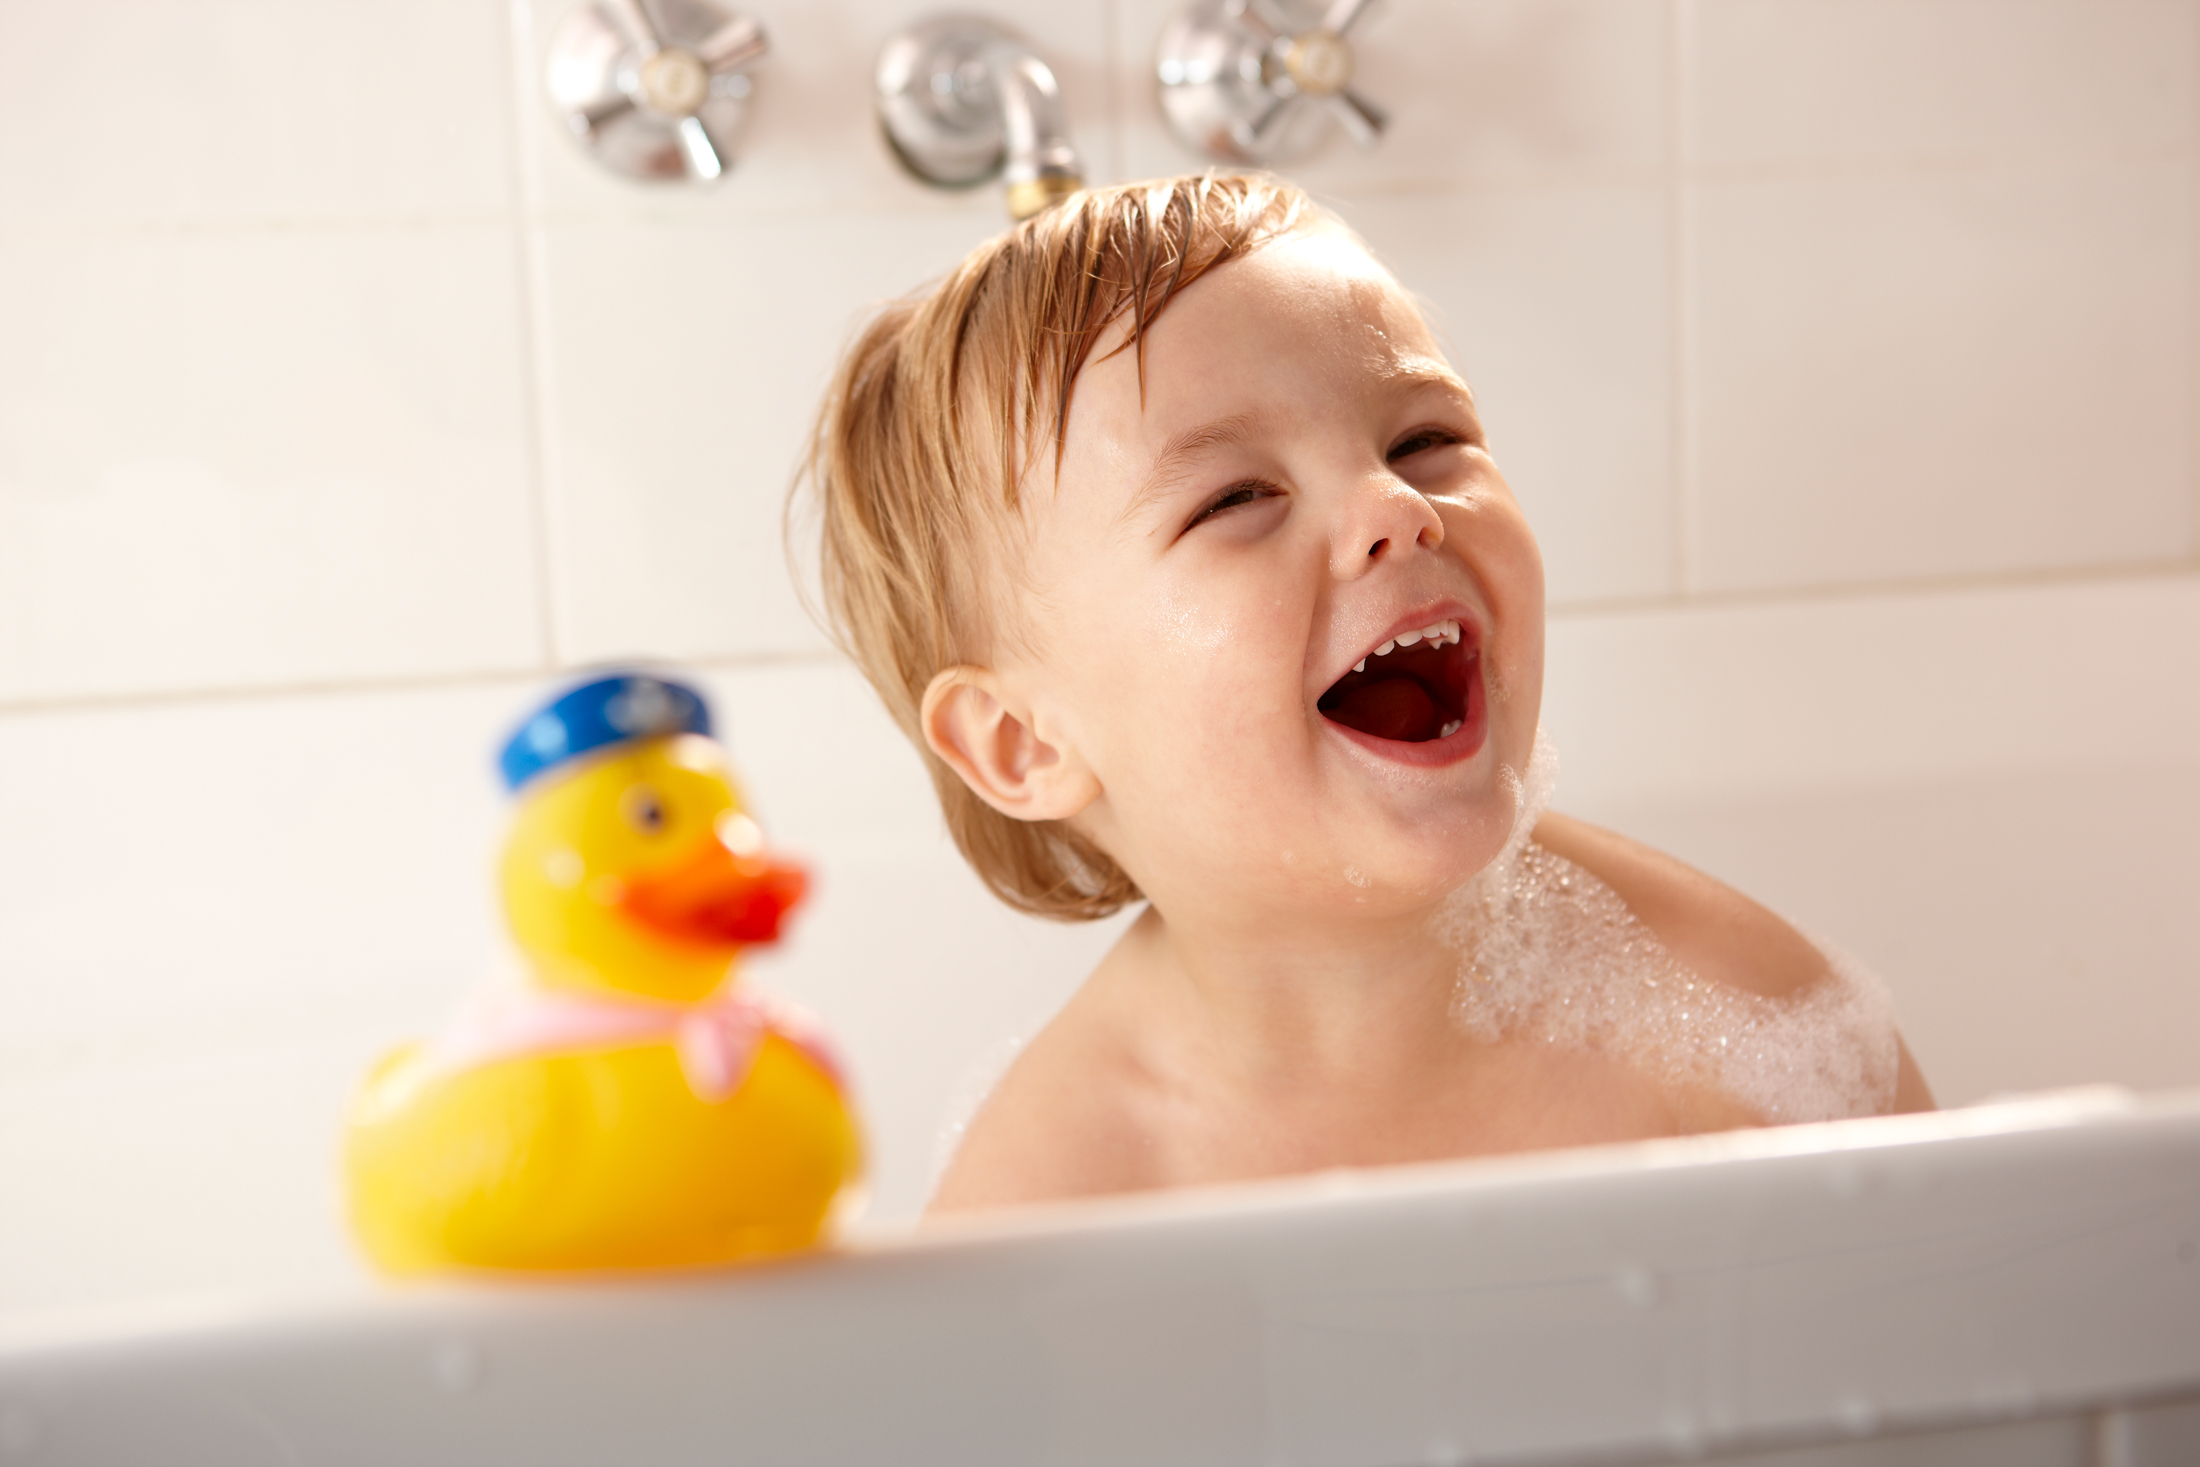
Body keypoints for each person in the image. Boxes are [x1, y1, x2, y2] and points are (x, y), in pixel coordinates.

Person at [797, 172, 1933, 1215]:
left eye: (1426, 438)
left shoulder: (1739, 1024)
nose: (1398, 505)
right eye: (1236, 497)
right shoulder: (1064, 1192)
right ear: (1020, 744)